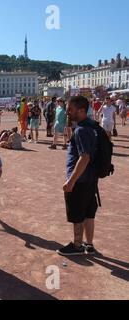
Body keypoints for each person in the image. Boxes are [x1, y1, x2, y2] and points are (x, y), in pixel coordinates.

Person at [58, 96, 99, 256]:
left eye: (71, 109)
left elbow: (84, 157)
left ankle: (77, 246)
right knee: (89, 213)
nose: (68, 112)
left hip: (80, 180)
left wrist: (71, 181)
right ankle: (89, 245)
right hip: (91, 179)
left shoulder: (81, 130)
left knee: (77, 213)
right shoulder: (93, 127)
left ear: (81, 111)